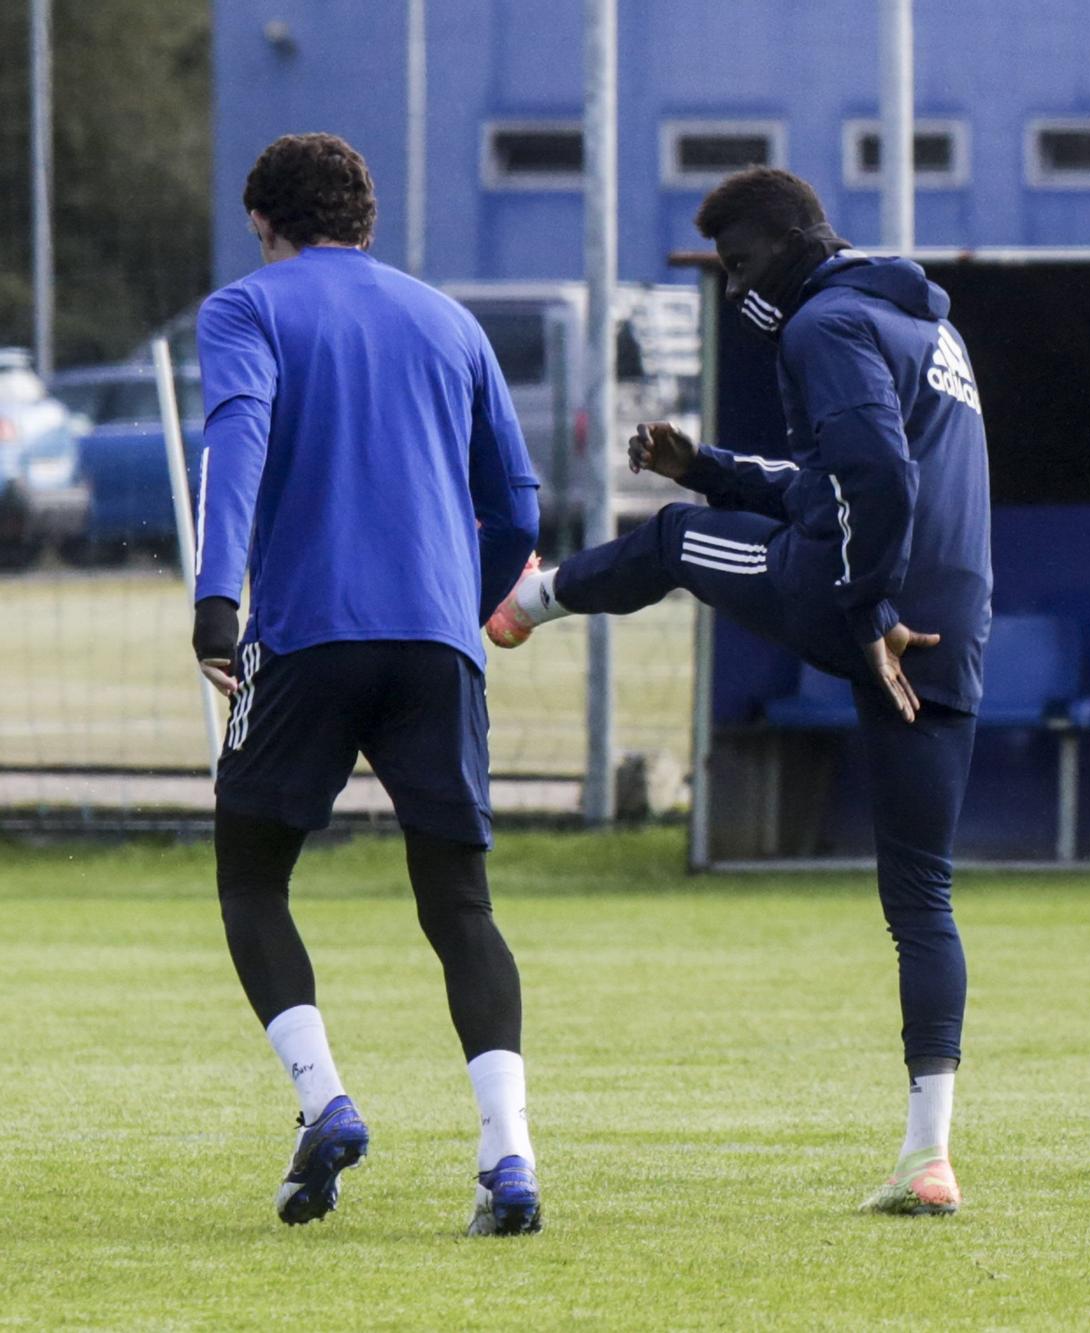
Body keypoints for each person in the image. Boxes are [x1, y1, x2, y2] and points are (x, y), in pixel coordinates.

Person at [487, 166, 991, 1214]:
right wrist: (713, 469)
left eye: (741, 266)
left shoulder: (822, 327)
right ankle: (927, 1155)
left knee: (672, 543)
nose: (734, 294)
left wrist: (860, 612)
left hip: (865, 603)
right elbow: (846, 479)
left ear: (793, 245)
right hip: (949, 626)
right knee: (920, 895)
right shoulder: (923, 329)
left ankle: (533, 598)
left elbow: (878, 486)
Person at [192, 133, 546, 1232]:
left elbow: (238, 434)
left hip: (306, 636)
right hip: (440, 644)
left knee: (252, 877)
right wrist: (471, 605)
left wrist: (217, 600)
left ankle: (324, 1099)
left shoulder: (246, 308)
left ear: (264, 221)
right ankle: (510, 1157)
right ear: (366, 218)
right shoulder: (450, 320)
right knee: (461, 907)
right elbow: (521, 504)